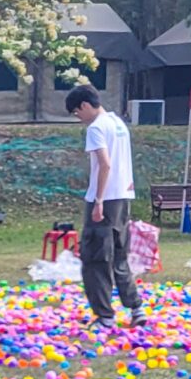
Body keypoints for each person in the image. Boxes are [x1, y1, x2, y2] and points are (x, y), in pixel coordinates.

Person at [67, 86, 140, 328]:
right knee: (119, 255)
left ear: (85, 105)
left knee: (95, 257)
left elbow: (105, 164)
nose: (78, 117)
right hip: (123, 197)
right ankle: (136, 308)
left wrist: (98, 200)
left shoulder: (96, 127)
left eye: (77, 112)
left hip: (105, 200)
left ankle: (105, 315)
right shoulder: (118, 123)